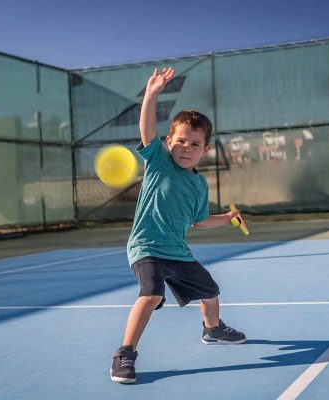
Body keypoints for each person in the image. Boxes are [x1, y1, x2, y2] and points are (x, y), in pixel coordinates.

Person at [110, 67, 247, 384]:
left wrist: (227, 219)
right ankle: (125, 354)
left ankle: (212, 329)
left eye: (195, 144)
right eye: (181, 141)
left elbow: (200, 222)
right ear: (168, 141)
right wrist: (152, 94)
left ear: (205, 150)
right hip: (147, 247)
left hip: (177, 251)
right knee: (152, 294)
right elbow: (146, 129)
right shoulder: (158, 162)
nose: (186, 148)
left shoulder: (199, 186)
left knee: (211, 291)